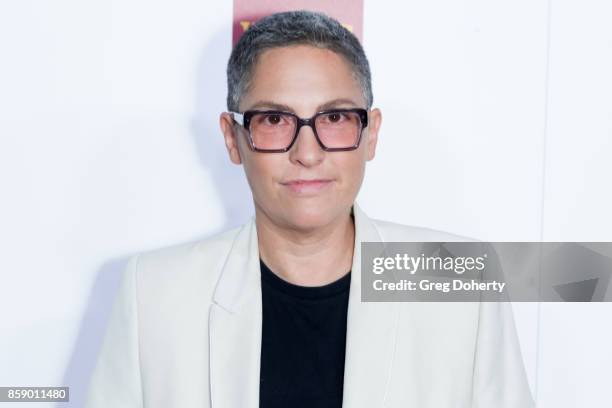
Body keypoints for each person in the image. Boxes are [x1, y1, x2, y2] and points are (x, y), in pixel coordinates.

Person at [85, 10, 534, 408]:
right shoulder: (154, 294)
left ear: (371, 133)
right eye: (275, 120)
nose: (307, 152)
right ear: (232, 137)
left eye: (335, 118)